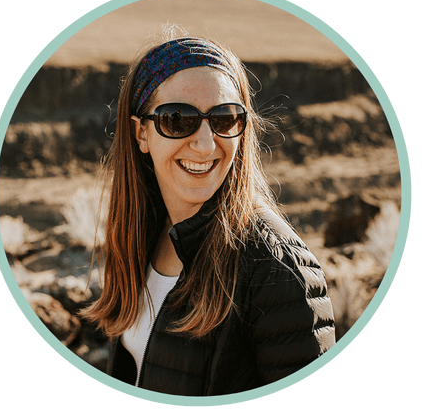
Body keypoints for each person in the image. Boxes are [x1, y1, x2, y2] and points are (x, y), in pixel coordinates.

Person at [80, 32, 335, 396]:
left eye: (224, 118)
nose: (204, 144)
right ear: (141, 133)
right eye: (177, 119)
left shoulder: (275, 266)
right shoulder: (140, 233)